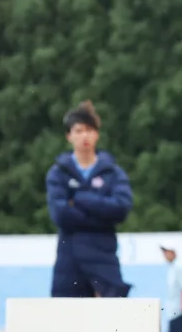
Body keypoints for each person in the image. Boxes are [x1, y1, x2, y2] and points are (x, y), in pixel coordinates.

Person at [46, 100, 133, 298]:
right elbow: (60, 214)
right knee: (66, 320)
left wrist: (79, 200)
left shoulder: (113, 173)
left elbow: (121, 208)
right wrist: (100, 214)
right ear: (69, 136)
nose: (84, 135)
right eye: (78, 130)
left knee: (113, 321)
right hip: (69, 260)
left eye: (88, 129)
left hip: (104, 257)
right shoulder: (58, 173)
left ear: (96, 134)